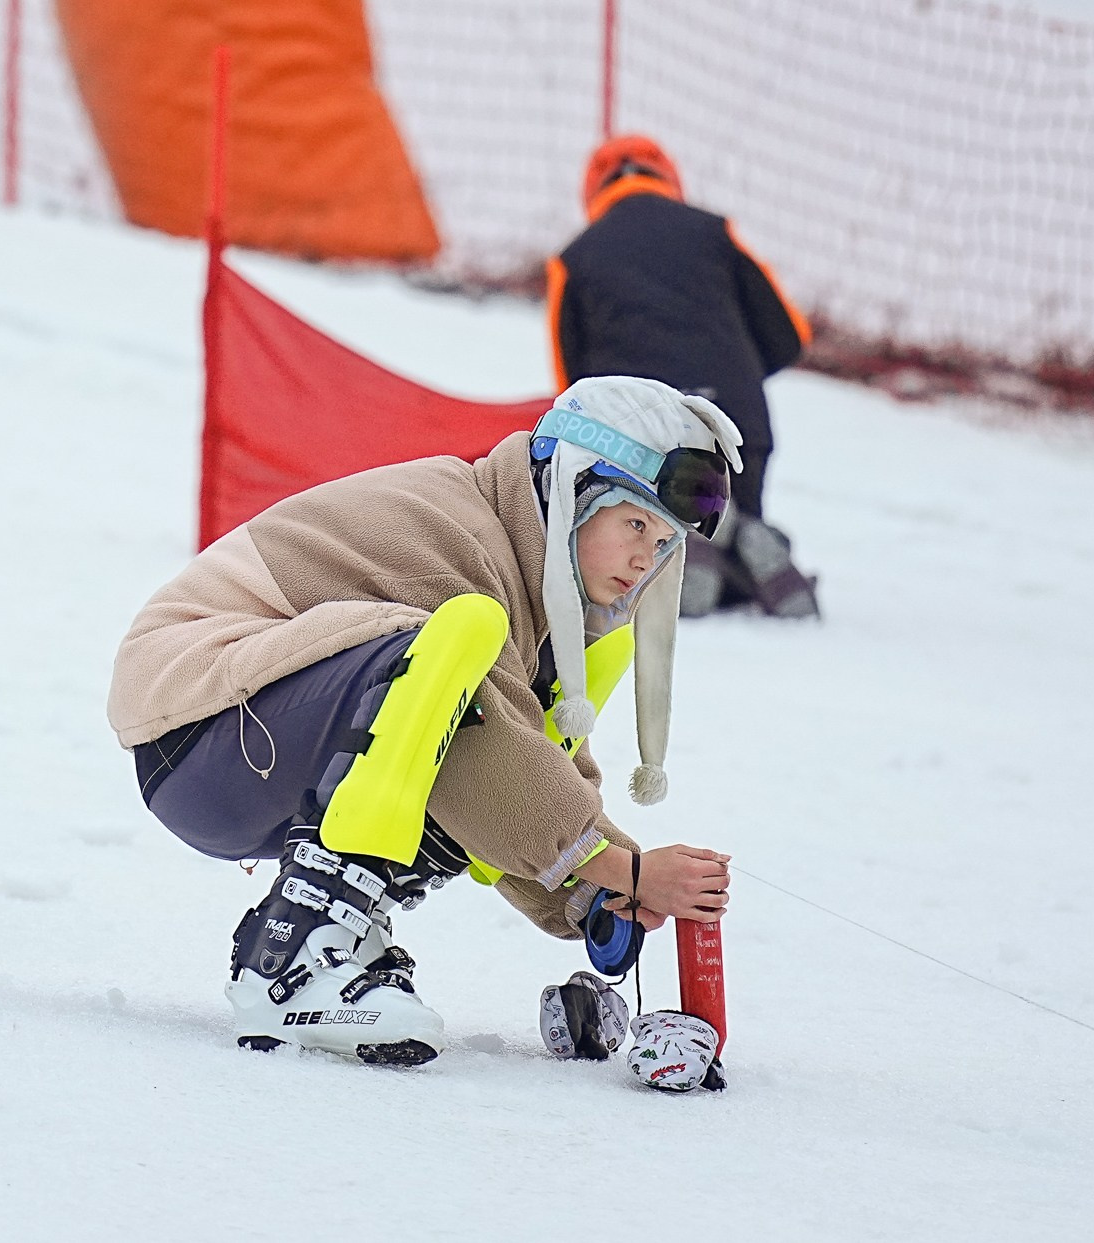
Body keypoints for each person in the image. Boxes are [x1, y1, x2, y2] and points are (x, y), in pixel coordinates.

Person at [110, 376, 736, 1065]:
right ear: (569, 492)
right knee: (445, 663)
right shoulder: (452, 531)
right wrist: (628, 867)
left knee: (468, 716)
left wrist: (595, 890)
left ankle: (331, 926)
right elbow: (488, 745)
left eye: (667, 542)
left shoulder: (534, 583)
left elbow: (531, 756)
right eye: (635, 523)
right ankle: (289, 963)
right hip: (196, 729)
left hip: (254, 741)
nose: (647, 557)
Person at [548, 135, 819, 618]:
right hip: (739, 426)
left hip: (647, 444)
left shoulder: (575, 258)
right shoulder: (715, 232)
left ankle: (693, 550)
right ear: (670, 178)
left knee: (646, 539)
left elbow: (574, 389)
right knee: (728, 511)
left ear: (591, 192)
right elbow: (789, 334)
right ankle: (745, 537)